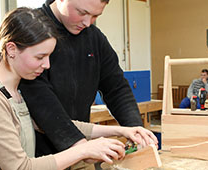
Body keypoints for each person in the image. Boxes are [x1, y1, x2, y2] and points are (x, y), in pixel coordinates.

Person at [0, 7, 154, 170]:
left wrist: (123, 131)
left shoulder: (17, 92)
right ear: (11, 50)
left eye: (49, 57)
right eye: (39, 57)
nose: (47, 65)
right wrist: (83, 150)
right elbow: (21, 167)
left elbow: (66, 124)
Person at [19, 0, 158, 160]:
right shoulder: (33, 30)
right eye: (82, 12)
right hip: (38, 156)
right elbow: (41, 103)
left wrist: (135, 129)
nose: (87, 22)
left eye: (95, 15)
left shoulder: (94, 38)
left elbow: (117, 88)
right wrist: (81, 147)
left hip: (78, 146)